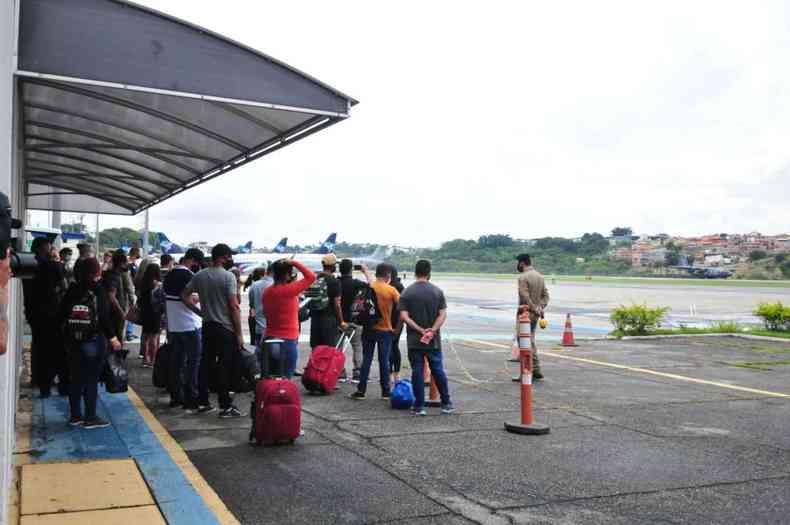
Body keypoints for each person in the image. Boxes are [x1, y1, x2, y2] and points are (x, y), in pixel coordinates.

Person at [183, 244, 245, 418]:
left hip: (208, 325)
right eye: (228, 257)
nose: (230, 260)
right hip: (225, 328)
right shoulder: (229, 277)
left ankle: (203, 401)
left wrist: (200, 312)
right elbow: (234, 307)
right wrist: (239, 334)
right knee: (224, 366)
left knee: (205, 364)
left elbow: (184, 296)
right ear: (223, 258)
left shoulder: (199, 276)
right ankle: (225, 406)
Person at [58, 257, 122, 428]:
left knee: (76, 378)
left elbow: (61, 315)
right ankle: (91, 417)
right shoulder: (98, 290)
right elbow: (104, 317)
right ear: (96, 272)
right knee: (91, 379)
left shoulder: (72, 290)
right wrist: (113, 338)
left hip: (73, 341)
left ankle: (75, 416)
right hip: (94, 340)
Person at [399, 259, 453, 415]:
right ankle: (446, 403)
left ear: (415, 272)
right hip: (433, 340)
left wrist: (420, 330)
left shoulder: (407, 292)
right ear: (429, 272)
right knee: (438, 370)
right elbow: (443, 314)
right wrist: (432, 330)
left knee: (417, 370)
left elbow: (404, 317)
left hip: (415, 340)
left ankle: (419, 406)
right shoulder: (437, 291)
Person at [22, 237, 68, 397]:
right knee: (56, 351)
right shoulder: (52, 266)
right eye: (50, 247)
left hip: (34, 314)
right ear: (44, 248)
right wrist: (56, 260)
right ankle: (58, 385)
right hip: (52, 314)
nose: (52, 249)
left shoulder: (27, 264)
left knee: (39, 349)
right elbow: (64, 286)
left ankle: (41, 383)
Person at [350, 264, 400, 400]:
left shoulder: (371, 286)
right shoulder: (391, 290)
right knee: (384, 361)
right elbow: (402, 307)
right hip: (385, 329)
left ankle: (361, 390)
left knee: (367, 359)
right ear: (388, 276)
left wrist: (365, 270)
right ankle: (385, 391)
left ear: (377, 274)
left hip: (369, 328)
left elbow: (370, 279)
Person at [163, 249, 204, 411]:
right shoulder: (188, 276)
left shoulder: (169, 275)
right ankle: (191, 398)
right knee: (193, 363)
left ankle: (175, 397)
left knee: (177, 362)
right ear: (193, 261)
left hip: (174, 325)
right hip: (190, 325)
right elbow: (189, 298)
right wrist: (202, 312)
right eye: (197, 264)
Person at [261, 259, 316, 378]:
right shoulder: (289, 290)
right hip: (287, 339)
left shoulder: (266, 292)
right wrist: (294, 262)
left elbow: (265, 313)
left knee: (271, 376)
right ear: (287, 275)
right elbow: (311, 277)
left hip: (269, 337)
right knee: (286, 378)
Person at [516, 253, 550, 380]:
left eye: (518, 263)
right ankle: (536, 369)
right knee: (531, 340)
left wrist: (532, 308)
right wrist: (540, 307)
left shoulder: (523, 277)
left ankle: (526, 371)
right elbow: (546, 296)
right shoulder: (540, 276)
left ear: (522, 263)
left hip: (525, 314)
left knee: (524, 342)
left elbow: (524, 295)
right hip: (536, 315)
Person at [338, 259, 369, 383]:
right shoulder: (356, 283)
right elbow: (371, 285)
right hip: (354, 319)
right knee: (357, 346)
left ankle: (340, 372)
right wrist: (365, 271)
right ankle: (357, 373)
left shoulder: (337, 283)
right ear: (351, 270)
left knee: (338, 348)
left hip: (339, 320)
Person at [309, 254, 343, 351]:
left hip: (315, 320)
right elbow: (337, 304)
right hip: (329, 321)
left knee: (316, 351)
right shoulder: (334, 282)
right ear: (332, 266)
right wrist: (341, 322)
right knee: (328, 352)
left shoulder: (315, 280)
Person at [102, 249, 132, 348]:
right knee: (116, 338)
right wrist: (121, 313)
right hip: (114, 314)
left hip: (111, 312)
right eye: (126, 262)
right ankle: (116, 359)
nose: (127, 264)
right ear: (121, 263)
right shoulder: (113, 276)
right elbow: (112, 296)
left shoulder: (111, 274)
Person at [138, 263, 163, 367]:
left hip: (144, 312)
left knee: (145, 336)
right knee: (154, 336)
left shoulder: (143, 283)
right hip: (155, 312)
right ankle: (153, 360)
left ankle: (145, 359)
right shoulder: (157, 284)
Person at [246, 267, 272, 347]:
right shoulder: (275, 284)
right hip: (273, 328)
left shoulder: (254, 286)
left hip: (259, 326)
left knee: (259, 352)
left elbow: (252, 305)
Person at [388, 265, 405, 383]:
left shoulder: (393, 287)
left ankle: (390, 373)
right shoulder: (400, 286)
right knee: (394, 347)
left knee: (389, 348)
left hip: (393, 322)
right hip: (397, 322)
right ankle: (396, 374)